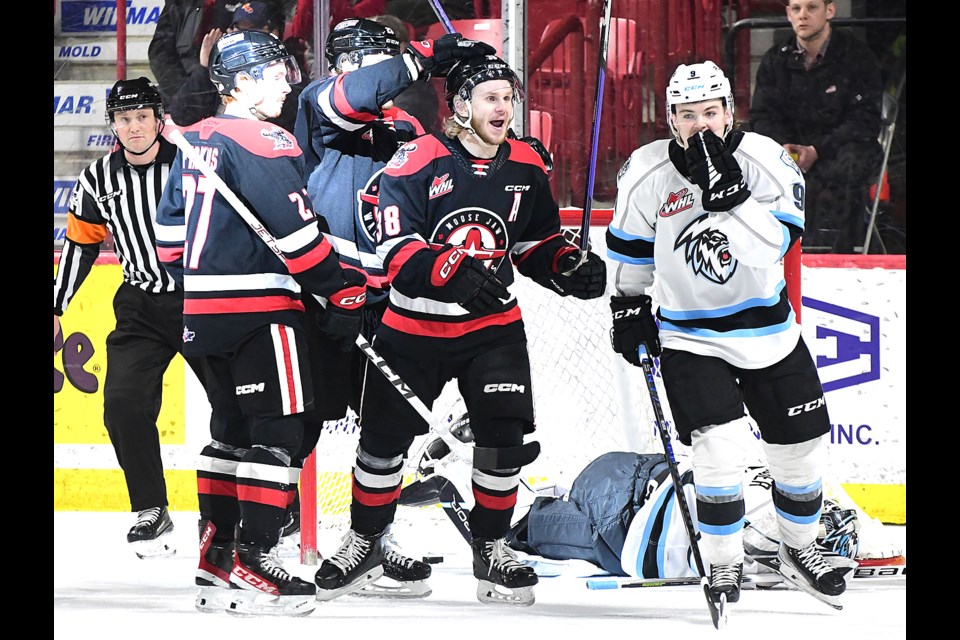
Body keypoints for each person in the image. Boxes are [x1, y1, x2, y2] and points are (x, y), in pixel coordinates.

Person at [311, 54, 607, 607]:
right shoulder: (416, 160)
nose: (503, 107)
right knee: (382, 444)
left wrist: (567, 266)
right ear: (463, 106)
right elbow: (396, 251)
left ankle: (492, 547)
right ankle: (366, 540)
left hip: (492, 330)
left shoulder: (523, 164)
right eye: (490, 97)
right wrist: (449, 272)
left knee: (502, 440)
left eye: (508, 97)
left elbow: (535, 243)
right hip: (411, 329)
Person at [605, 60, 848, 609]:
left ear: (729, 111)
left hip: (771, 332)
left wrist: (732, 196)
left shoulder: (765, 160)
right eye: (687, 115)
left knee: (802, 453)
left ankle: (799, 550)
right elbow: (632, 256)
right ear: (670, 119)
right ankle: (721, 565)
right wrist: (627, 305)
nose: (700, 125)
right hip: (691, 337)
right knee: (717, 453)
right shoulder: (646, 171)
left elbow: (773, 249)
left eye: (710, 112)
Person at [154, 29, 368, 616]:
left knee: (229, 432)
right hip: (260, 311)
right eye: (275, 74)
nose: (288, 83)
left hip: (200, 313)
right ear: (241, 83)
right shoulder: (265, 139)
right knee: (280, 434)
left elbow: (169, 244)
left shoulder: (194, 142)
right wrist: (342, 291)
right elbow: (301, 242)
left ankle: (215, 556)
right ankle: (256, 557)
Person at [291, 17, 495, 599]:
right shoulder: (317, 105)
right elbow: (356, 96)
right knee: (301, 423)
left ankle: (371, 540)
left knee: (385, 431)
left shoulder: (406, 125)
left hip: (389, 300)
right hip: (326, 299)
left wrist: (479, 114)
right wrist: (428, 54)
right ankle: (268, 538)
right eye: (375, 63)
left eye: (390, 65)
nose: (385, 81)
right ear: (344, 64)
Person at [400, 425, 885, 586]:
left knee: (538, 506)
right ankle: (452, 485)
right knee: (507, 540)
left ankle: (475, 442)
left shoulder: (772, 490)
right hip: (619, 531)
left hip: (632, 476)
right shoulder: (767, 536)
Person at [53, 77, 202, 559]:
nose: (134, 127)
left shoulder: (192, 160)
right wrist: (56, 306)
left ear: (159, 118)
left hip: (204, 299)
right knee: (121, 405)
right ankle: (151, 510)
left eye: (142, 117)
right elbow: (81, 244)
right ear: (112, 125)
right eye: (123, 119)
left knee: (241, 409)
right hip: (140, 303)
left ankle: (277, 512)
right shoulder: (98, 178)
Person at [749, 0, 883, 253]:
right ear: (788, 14)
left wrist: (818, 149)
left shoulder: (857, 57)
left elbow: (865, 119)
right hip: (789, 154)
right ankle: (776, 254)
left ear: (829, 11)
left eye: (812, 8)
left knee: (851, 162)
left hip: (839, 150)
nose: (803, 16)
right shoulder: (775, 59)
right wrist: (784, 148)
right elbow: (761, 116)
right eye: (796, 9)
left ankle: (842, 256)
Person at [167, 1, 306, 133]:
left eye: (252, 30)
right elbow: (182, 115)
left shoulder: (286, 67)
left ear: (273, 33)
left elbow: (295, 117)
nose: (244, 36)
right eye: (238, 29)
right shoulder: (225, 71)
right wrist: (205, 68)